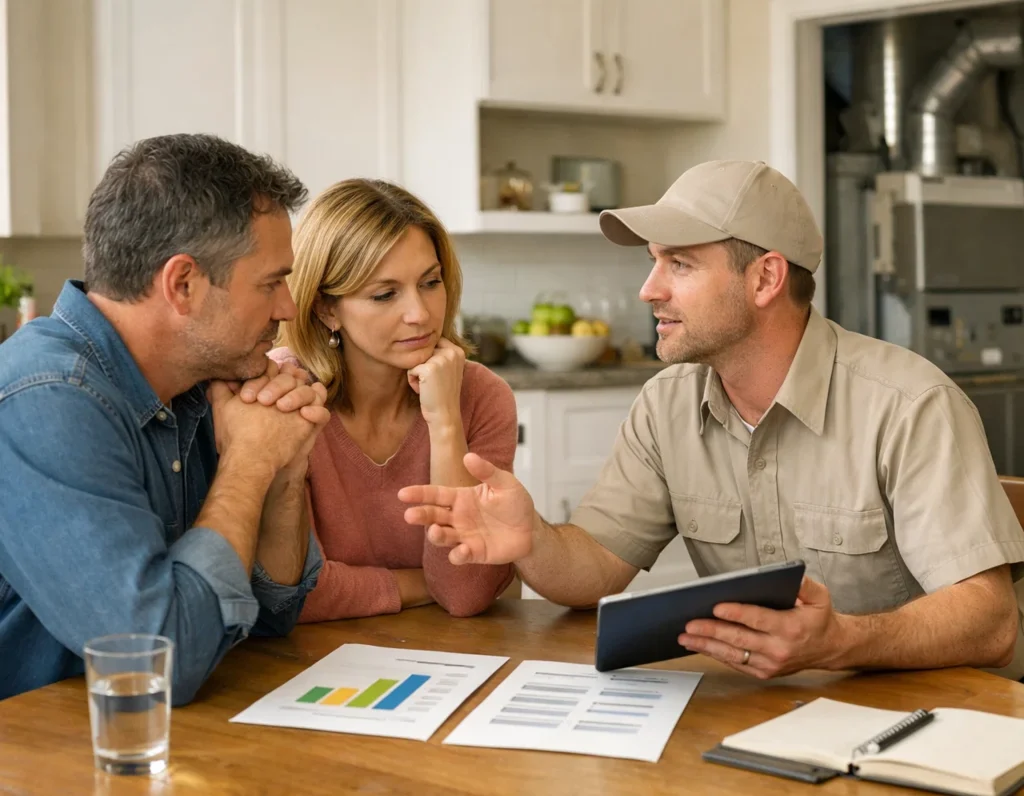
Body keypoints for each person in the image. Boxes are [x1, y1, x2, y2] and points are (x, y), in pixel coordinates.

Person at [399, 159, 1024, 680]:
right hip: (766, 714)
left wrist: (840, 641)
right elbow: (594, 564)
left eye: (680, 264)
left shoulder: (909, 405)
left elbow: (991, 618)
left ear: (765, 278)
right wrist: (532, 537)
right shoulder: (667, 405)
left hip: (932, 723)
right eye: (654, 261)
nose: (648, 289)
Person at [0, 134, 329, 703]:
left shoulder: (207, 380)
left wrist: (285, 467)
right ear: (183, 284)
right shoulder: (45, 398)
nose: (288, 309)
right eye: (272, 282)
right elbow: (155, 663)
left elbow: (273, 614)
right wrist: (249, 463)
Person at [271, 179, 517, 620]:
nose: (420, 314)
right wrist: (424, 583)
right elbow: (296, 594)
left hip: (452, 660)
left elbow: (464, 593)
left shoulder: (481, 396)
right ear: (327, 309)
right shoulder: (286, 395)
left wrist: (445, 424)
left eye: (430, 282)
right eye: (385, 294)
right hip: (314, 665)